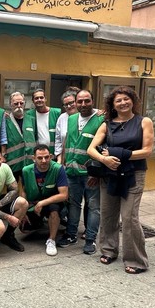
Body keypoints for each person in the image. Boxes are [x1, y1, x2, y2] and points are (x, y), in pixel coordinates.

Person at [88, 86, 153, 274]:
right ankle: (108, 250)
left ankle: (136, 260)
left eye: (126, 99)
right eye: (118, 100)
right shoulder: (107, 123)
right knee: (108, 214)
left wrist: (117, 154)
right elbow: (91, 148)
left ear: (133, 100)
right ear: (113, 105)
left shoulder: (144, 121)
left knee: (129, 217)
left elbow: (147, 151)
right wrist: (104, 159)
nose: (123, 103)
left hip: (133, 174)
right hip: (110, 174)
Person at [57, 90, 104, 255]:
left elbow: (104, 148)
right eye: (80, 101)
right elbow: (66, 143)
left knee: (93, 207)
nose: (83, 104)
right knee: (73, 204)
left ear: (93, 101)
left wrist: (96, 173)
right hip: (71, 172)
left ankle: (90, 239)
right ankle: (71, 235)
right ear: (76, 103)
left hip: (91, 174)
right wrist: (62, 164)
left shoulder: (101, 119)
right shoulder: (71, 119)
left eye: (87, 101)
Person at [21, 144, 68, 256]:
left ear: (51, 156)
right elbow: (23, 191)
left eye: (47, 157)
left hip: (52, 202)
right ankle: (41, 222)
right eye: (40, 158)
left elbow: (64, 195)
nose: (44, 160)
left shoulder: (58, 169)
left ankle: (51, 240)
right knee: (24, 229)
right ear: (33, 158)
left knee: (54, 210)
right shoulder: (26, 170)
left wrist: (43, 202)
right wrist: (23, 211)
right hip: (34, 203)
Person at [23, 88, 61, 165]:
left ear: (45, 99)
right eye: (36, 98)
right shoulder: (29, 114)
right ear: (33, 101)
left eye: (41, 97)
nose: (39, 100)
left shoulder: (56, 113)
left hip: (53, 156)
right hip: (38, 157)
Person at [5, 91, 26, 181]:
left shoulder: (31, 119)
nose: (19, 105)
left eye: (21, 103)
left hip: (27, 163)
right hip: (12, 163)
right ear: (10, 105)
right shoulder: (5, 120)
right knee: (13, 191)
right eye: (15, 103)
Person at [54, 87, 80, 162]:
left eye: (71, 103)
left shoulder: (85, 116)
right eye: (66, 104)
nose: (69, 106)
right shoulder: (62, 118)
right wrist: (59, 161)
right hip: (66, 161)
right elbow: (58, 141)